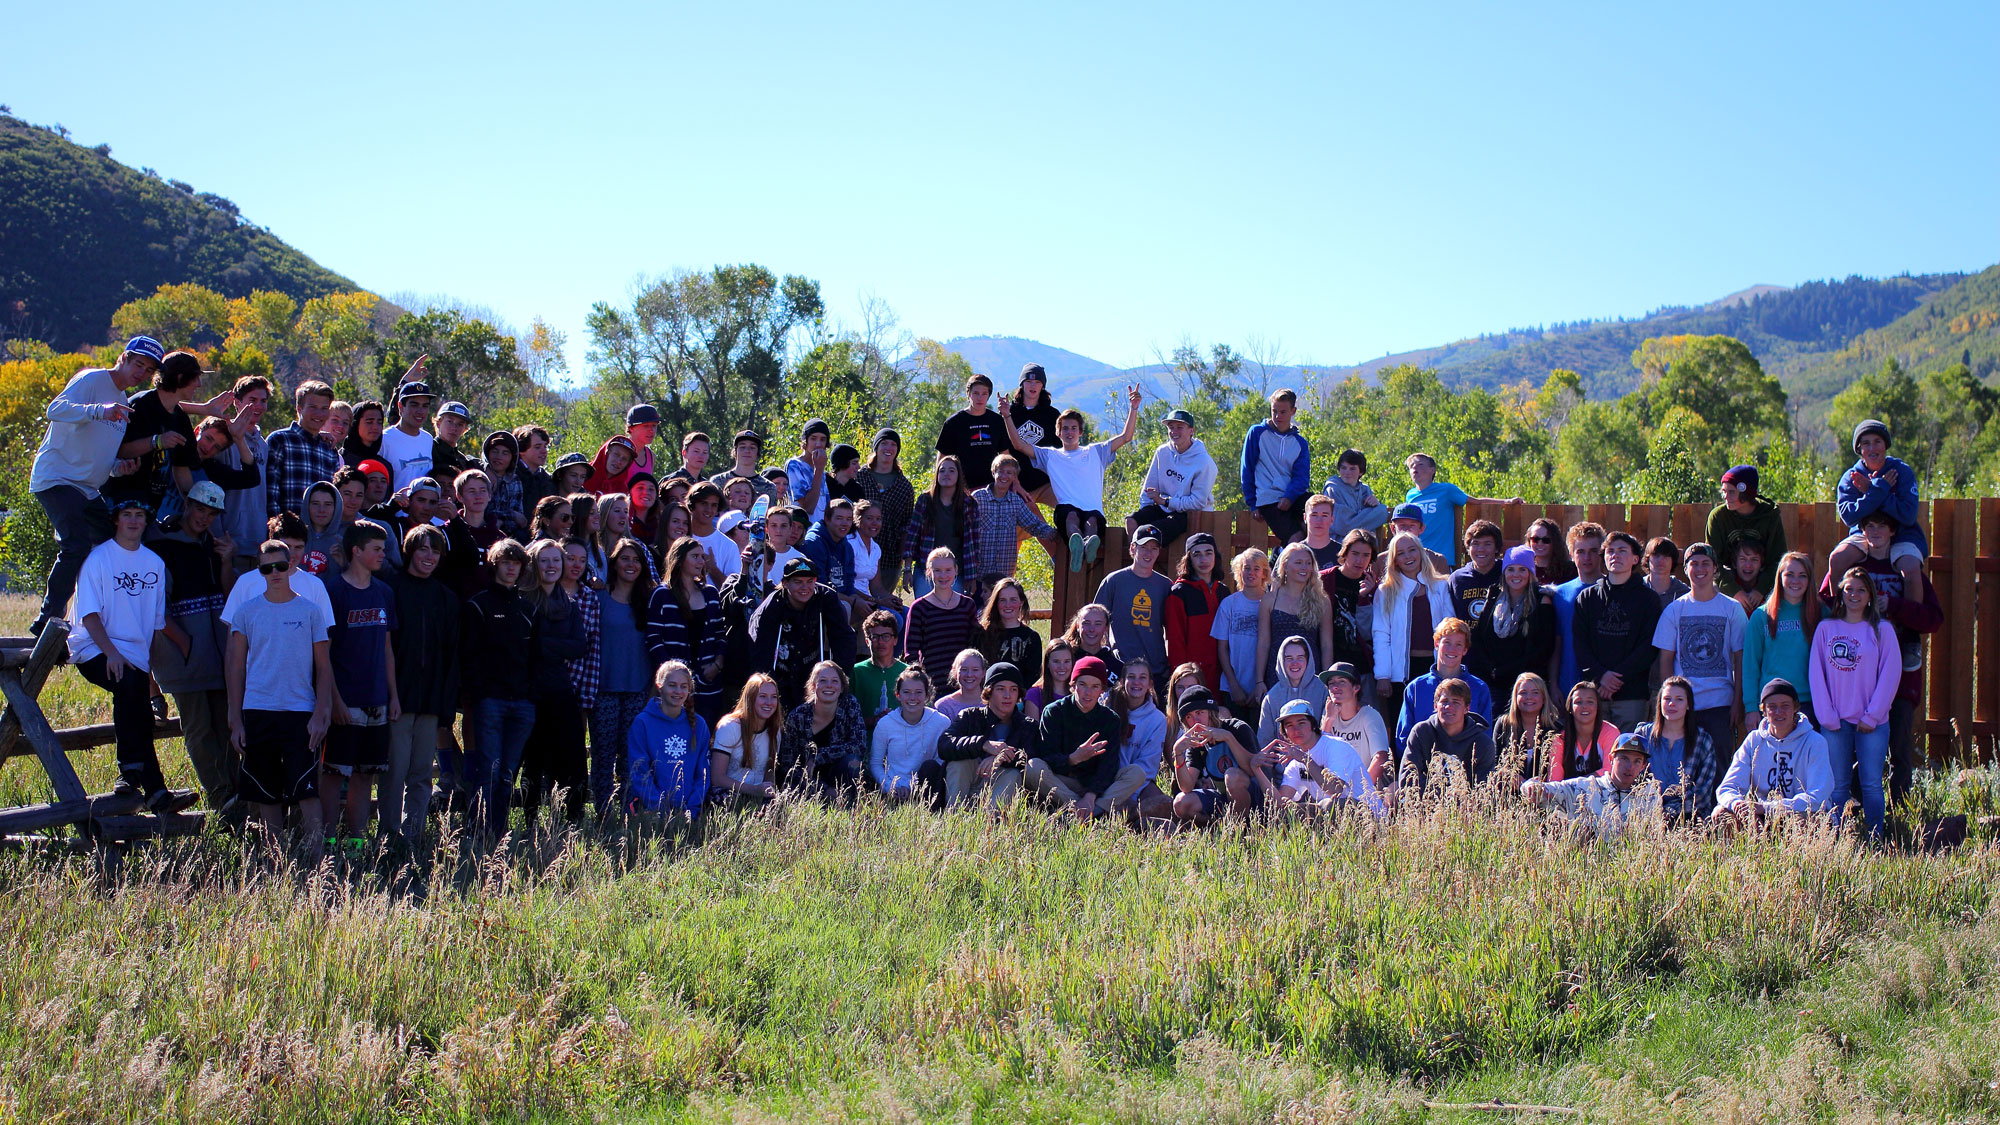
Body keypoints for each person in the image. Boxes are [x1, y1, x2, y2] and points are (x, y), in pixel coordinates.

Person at [29, 336, 161, 634]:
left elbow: (99, 455)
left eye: (147, 370)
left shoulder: (124, 403)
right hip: (57, 478)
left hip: (87, 490)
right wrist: (99, 410)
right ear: (123, 358)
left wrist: (119, 468)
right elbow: (55, 409)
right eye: (138, 364)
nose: (140, 373)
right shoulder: (92, 380)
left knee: (111, 547)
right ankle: (47, 623)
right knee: (75, 544)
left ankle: (90, 620)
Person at [226, 539, 334, 849]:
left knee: (307, 790)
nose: (274, 572)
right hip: (258, 710)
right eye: (266, 567)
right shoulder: (247, 612)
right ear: (259, 570)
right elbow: (236, 668)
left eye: (280, 566)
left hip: (301, 711)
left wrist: (320, 714)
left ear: (292, 566)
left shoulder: (310, 611)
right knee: (265, 791)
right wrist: (236, 719)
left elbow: (324, 668)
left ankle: (319, 865)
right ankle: (275, 866)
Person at [69, 497, 173, 805]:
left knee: (137, 702)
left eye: (139, 515)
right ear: (116, 520)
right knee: (129, 686)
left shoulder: (154, 564)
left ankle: (155, 792)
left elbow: (153, 628)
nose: (133, 520)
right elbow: (88, 615)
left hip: (134, 657)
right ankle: (128, 770)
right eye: (127, 514)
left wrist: (149, 676)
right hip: (94, 646)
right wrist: (112, 653)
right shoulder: (98, 559)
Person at [148, 481, 237, 810]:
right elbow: (157, 607)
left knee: (225, 727)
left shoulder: (213, 546)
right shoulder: (162, 546)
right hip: (183, 658)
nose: (205, 517)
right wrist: (184, 643)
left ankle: (235, 797)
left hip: (217, 657)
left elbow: (231, 598)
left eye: (212, 512)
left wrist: (227, 561)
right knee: (199, 730)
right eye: (200, 508)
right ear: (187, 504)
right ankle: (219, 796)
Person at [318, 522, 399, 844]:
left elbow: (388, 649)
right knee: (334, 773)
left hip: (377, 699)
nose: (383, 554)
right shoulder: (333, 592)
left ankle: (355, 842)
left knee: (366, 774)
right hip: (344, 700)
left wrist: (392, 696)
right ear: (357, 551)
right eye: (377, 549)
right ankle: (326, 841)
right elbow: (323, 654)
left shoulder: (384, 592)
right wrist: (334, 700)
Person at [1809, 567, 1902, 837]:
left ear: (1870, 595)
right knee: (1837, 786)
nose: (1854, 595)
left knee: (1871, 783)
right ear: (1841, 593)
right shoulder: (1827, 628)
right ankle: (1835, 840)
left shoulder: (1881, 630)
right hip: (1835, 722)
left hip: (1871, 723)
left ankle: (1876, 838)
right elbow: (1816, 673)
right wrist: (1827, 716)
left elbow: (1890, 674)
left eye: (1861, 590)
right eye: (1849, 589)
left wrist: (1872, 716)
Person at [1003, 389, 1140, 569]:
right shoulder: (1050, 455)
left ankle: (1088, 545)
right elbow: (1019, 445)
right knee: (1071, 517)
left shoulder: (1096, 451)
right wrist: (1006, 416)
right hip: (1066, 511)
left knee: (1091, 522)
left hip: (1093, 510)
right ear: (1058, 433)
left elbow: (1126, 437)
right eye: (1065, 428)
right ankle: (1077, 547)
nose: (1069, 432)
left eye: (1074, 428)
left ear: (1080, 432)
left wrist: (1134, 408)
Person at [382, 524, 458, 845]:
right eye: (423, 548)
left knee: (422, 774)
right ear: (409, 550)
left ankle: (413, 835)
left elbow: (452, 654)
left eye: (435, 550)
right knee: (394, 771)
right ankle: (388, 835)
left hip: (431, 700)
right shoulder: (391, 589)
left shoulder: (447, 598)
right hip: (398, 698)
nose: (429, 556)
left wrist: (446, 705)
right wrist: (389, 695)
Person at [460, 540, 537, 837]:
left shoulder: (528, 610)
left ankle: (499, 833)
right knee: (488, 771)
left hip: (523, 703)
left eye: (516, 563)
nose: (510, 568)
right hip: (489, 701)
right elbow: (469, 656)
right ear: (494, 565)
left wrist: (531, 696)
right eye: (505, 562)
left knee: (507, 775)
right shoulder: (478, 606)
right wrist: (478, 694)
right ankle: (477, 832)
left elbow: (535, 658)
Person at [1652, 542, 1746, 780]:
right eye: (1694, 564)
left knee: (1720, 766)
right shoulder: (1674, 611)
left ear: (1715, 568)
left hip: (1720, 703)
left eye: (1706, 563)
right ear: (1685, 569)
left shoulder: (1732, 609)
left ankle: (1720, 815)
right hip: (1685, 706)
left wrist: (1737, 702)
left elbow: (1740, 659)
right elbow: (1666, 660)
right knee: (1684, 769)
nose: (1700, 569)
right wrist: (1669, 702)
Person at [518, 539, 591, 827]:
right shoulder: (523, 601)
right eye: (544, 560)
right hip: (529, 692)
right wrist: (551, 647)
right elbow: (523, 647)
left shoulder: (568, 604)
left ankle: (572, 821)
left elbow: (578, 646)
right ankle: (531, 821)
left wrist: (542, 645)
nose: (551, 566)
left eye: (556, 561)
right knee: (534, 761)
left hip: (561, 690)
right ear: (534, 565)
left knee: (572, 760)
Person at [103, 348, 217, 514]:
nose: (199, 384)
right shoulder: (140, 405)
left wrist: (193, 506)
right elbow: (118, 451)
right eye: (195, 378)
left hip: (152, 506)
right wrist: (157, 441)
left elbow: (181, 467)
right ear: (180, 377)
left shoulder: (181, 418)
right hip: (121, 503)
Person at [1572, 531, 1663, 731]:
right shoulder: (1587, 598)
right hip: (1594, 693)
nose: (1615, 555)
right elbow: (1580, 644)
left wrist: (1615, 678)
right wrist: (1601, 676)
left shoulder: (1648, 600)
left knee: (1628, 751)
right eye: (1610, 551)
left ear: (1635, 559)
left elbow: (1648, 647)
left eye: (1622, 551)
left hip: (1632, 695)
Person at [592, 538, 656, 815]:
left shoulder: (651, 599)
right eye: (625, 559)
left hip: (638, 689)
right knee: (603, 755)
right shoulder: (599, 596)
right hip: (604, 689)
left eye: (636, 560)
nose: (631, 565)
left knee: (632, 757)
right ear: (614, 563)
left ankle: (630, 811)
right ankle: (603, 813)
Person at [1713, 678, 1833, 825]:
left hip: (1800, 814)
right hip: (1762, 814)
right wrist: (1737, 805)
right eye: (1772, 706)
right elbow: (1727, 788)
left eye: (1785, 706)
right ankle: (1747, 848)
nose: (1778, 712)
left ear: (1795, 708)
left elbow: (1817, 797)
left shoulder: (1815, 742)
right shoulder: (1754, 740)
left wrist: (1768, 808)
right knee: (1721, 813)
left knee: (1804, 819)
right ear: (1763, 710)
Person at [1828, 419, 1926, 594]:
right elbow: (1849, 517)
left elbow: (1908, 515)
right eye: (1866, 443)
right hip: (1864, 534)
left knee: (1911, 567)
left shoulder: (1901, 472)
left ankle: (1913, 618)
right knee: (1837, 559)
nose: (1872, 449)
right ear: (1859, 450)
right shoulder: (1851, 477)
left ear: (1885, 446)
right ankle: (1838, 612)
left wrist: (1871, 489)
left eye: (1877, 442)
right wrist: (1877, 491)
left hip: (1902, 534)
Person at [749, 557, 858, 710]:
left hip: (811, 669)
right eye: (798, 582)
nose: (804, 587)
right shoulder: (772, 607)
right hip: (781, 671)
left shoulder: (825, 597)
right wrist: (767, 686)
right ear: (785, 583)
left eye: (809, 581)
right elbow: (760, 650)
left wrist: (838, 678)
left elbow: (844, 639)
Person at [1026, 655, 1121, 820]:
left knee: (1135, 773)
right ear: (1072, 686)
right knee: (1033, 767)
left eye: (1095, 686)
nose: (1088, 692)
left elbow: (1109, 766)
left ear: (1102, 690)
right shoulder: (1054, 712)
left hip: (1094, 786)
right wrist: (1073, 758)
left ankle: (1084, 811)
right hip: (1061, 781)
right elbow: (1046, 756)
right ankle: (1085, 811)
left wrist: (1091, 795)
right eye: (1082, 685)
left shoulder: (1110, 719)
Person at [1372, 532, 1455, 721]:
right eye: (1401, 553)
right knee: (1403, 724)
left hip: (1436, 667)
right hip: (1401, 671)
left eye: (1412, 550)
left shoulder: (1441, 586)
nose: (1408, 556)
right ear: (1395, 560)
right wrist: (1383, 675)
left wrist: (1450, 666)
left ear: (1421, 552)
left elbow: (1451, 628)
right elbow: (1381, 634)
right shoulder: (1386, 591)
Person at [647, 537, 728, 728]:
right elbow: (653, 638)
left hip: (708, 685)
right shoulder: (662, 594)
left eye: (702, 557)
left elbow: (721, 635)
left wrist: (717, 664)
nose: (701, 561)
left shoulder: (711, 594)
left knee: (703, 740)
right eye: (695, 556)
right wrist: (671, 673)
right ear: (680, 559)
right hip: (673, 689)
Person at [1519, 733, 1660, 839]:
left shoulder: (1649, 797)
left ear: (1643, 766)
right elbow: (1545, 790)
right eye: (1623, 758)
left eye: (1636, 761)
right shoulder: (1586, 788)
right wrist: (1531, 787)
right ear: (1611, 759)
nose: (1629, 767)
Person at [939, 661, 1038, 808]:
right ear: (989, 692)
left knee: (1013, 774)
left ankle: (990, 821)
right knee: (959, 763)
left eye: (1013, 690)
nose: (1007, 695)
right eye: (1001, 689)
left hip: (1001, 784)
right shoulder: (970, 716)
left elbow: (1033, 759)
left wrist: (1001, 757)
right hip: (971, 778)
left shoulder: (1028, 725)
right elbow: (944, 744)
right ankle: (954, 815)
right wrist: (983, 744)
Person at [1469, 545, 1556, 710]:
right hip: (1493, 682)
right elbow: (1479, 637)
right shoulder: (1494, 596)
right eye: (1511, 569)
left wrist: (1509, 671)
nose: (1516, 574)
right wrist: (1490, 669)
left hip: (1526, 684)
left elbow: (1544, 648)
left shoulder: (1541, 601)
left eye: (1522, 569)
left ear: (1530, 573)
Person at [624, 660, 711, 822]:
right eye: (672, 685)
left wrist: (690, 810)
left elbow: (703, 774)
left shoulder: (699, 725)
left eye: (684, 686)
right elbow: (639, 772)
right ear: (659, 686)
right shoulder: (642, 723)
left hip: (690, 814)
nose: (678, 691)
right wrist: (662, 809)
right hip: (651, 813)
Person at [1401, 453, 1521, 566]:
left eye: (1420, 464)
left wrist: (1507, 502)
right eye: (1411, 466)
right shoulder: (1410, 495)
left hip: (1442, 558)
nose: (1414, 468)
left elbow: (1476, 501)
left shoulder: (1446, 490)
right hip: (1417, 558)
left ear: (1432, 470)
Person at [1277, 694, 1386, 818]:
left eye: (1301, 723)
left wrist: (1304, 759)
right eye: (1289, 725)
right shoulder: (1295, 763)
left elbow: (1334, 789)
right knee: (1288, 811)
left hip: (1368, 816)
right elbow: (1279, 803)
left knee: (1329, 805)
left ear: (1313, 724)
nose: (1296, 730)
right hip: (1333, 818)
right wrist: (1257, 769)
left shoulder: (1336, 746)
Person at [1393, 617, 1492, 753]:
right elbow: (1403, 738)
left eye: (1458, 644)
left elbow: (1485, 736)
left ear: (1465, 650)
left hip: (1464, 768)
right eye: (1447, 642)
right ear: (1436, 644)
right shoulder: (1416, 688)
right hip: (1424, 766)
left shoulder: (1479, 688)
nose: (1452, 650)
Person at [777, 660, 868, 803]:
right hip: (806, 780)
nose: (829, 686)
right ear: (813, 686)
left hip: (838, 773)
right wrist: (823, 789)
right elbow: (787, 766)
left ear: (842, 687)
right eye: (823, 681)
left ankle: (848, 803)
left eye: (834, 681)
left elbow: (859, 746)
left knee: (853, 761)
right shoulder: (797, 717)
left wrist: (817, 757)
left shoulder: (850, 705)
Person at [1743, 552, 1818, 725]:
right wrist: (1751, 708)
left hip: (1809, 703)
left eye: (1802, 576)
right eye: (1789, 575)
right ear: (1779, 578)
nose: (1795, 581)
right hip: (1772, 703)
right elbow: (1750, 666)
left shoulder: (1820, 614)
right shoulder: (1761, 616)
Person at [967, 454, 1055, 600]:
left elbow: (1034, 525)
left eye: (1009, 473)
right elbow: (965, 529)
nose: (1004, 476)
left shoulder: (1016, 502)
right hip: (978, 576)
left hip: (1003, 577)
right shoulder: (978, 498)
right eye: (1001, 471)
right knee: (975, 616)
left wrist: (1055, 534)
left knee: (1000, 618)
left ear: (1015, 477)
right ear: (993, 472)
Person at [1126, 408, 1216, 548]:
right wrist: (1146, 511)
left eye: (1180, 427)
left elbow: (1198, 502)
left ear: (1191, 431)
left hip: (1189, 515)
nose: (1174, 431)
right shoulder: (1162, 452)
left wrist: (1165, 501)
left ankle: (1147, 561)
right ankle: (1135, 561)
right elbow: (1149, 490)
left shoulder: (1204, 462)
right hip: (1164, 507)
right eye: (1171, 427)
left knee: (1151, 531)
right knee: (1132, 521)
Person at [1631, 676, 1717, 820]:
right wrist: (1654, 810)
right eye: (1667, 698)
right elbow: (1633, 780)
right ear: (1659, 702)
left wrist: (1670, 813)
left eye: (1679, 699)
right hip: (1646, 814)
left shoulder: (1702, 740)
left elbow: (1702, 792)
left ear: (1688, 705)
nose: (1672, 704)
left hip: (1689, 817)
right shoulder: (1642, 735)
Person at [1095, 523, 1173, 682]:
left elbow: (1172, 629)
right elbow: (1096, 621)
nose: (1148, 553)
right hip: (1121, 667)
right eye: (1144, 547)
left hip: (1155, 669)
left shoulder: (1166, 586)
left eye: (1154, 548)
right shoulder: (1113, 581)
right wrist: (1104, 655)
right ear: (1132, 548)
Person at [1168, 686, 1258, 823]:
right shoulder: (1197, 743)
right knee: (1181, 803)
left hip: (1256, 799)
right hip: (1223, 799)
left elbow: (1253, 770)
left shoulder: (1237, 728)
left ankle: (1239, 828)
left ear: (1210, 712)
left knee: (1232, 775)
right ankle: (1218, 828)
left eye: (1199, 712)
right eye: (1189, 716)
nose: (1195, 721)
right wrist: (1178, 753)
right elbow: (1187, 787)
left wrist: (1228, 738)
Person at [1396, 678, 1498, 795]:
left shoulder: (1482, 743)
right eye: (1444, 701)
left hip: (1467, 810)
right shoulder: (1421, 733)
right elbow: (1409, 778)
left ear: (1467, 708)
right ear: (1435, 706)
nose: (1449, 707)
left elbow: (1483, 790)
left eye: (1456, 702)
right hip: (1424, 807)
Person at [214, 375, 273, 577]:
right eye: (252, 400)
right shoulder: (224, 440)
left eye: (263, 401)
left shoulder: (263, 445)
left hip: (258, 541)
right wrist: (220, 535)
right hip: (231, 540)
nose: (258, 406)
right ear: (237, 403)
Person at [1101, 661, 1173, 821]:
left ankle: (1131, 815)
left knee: (1164, 803)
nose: (1136, 682)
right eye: (1131, 677)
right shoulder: (1107, 705)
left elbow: (1148, 766)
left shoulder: (1157, 720)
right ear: (1122, 681)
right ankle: (1115, 812)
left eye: (1142, 677)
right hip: (1106, 778)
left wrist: (1129, 795)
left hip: (1138, 783)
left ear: (1150, 684)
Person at [1312, 662, 1392, 806]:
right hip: (1335, 791)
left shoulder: (1369, 715)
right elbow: (1318, 755)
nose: (1335, 687)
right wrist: (1329, 720)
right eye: (1331, 683)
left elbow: (1380, 759)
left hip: (1367, 792)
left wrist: (1360, 792)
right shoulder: (1328, 716)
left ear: (1356, 688)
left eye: (1342, 682)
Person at [1256, 542, 1333, 692]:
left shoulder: (1322, 601)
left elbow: (1326, 644)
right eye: (1298, 562)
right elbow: (1263, 643)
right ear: (1285, 565)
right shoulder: (1270, 599)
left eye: (1308, 563)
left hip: (1311, 675)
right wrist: (1259, 681)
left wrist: (1327, 680)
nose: (1304, 567)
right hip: (1276, 673)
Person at [903, 549, 979, 700]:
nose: (943, 576)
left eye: (948, 570)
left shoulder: (967, 605)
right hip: (933, 687)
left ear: (956, 570)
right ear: (929, 572)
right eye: (937, 570)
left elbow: (975, 645)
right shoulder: (919, 608)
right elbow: (911, 653)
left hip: (965, 685)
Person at [870, 667, 950, 806]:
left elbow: (940, 760)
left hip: (926, 787)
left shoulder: (941, 722)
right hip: (893, 789)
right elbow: (875, 763)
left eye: (918, 692)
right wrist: (890, 787)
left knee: (931, 766)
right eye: (906, 692)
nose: (912, 698)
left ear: (927, 695)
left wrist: (913, 787)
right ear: (898, 695)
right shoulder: (885, 724)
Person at [1239, 388, 1310, 543]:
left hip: (1293, 497)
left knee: (1317, 517)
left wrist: (1289, 497)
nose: (1278, 416)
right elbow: (1247, 469)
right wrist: (1252, 503)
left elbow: (1302, 477)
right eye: (1274, 411)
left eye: (1283, 412)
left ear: (1293, 411)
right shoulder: (1257, 433)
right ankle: (1280, 558)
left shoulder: (1300, 443)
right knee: (1296, 539)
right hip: (1268, 499)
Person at [1705, 464, 1786, 598]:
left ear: (1746, 494)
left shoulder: (1770, 516)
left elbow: (1778, 559)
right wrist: (1733, 590)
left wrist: (1761, 590)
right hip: (1727, 582)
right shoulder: (1718, 517)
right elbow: (1713, 560)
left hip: (1764, 583)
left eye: (1731, 492)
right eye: (1724, 491)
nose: (1726, 496)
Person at [901, 455, 977, 597]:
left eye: (951, 470)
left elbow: (974, 543)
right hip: (926, 569)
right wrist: (906, 570)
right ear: (936, 475)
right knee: (925, 612)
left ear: (959, 475)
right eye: (942, 470)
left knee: (952, 613)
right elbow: (912, 538)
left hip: (956, 572)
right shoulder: (925, 500)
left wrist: (972, 576)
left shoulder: (969, 503)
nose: (946, 474)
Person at [267, 380, 342, 522]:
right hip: (287, 532)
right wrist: (277, 529)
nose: (319, 414)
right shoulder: (280, 440)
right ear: (299, 408)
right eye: (313, 407)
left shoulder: (329, 449)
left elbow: (333, 496)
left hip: (319, 535)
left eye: (324, 408)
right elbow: (271, 493)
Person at [1550, 521, 1608, 698]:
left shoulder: (1613, 590)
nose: (1587, 558)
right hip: (1568, 684)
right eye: (1581, 552)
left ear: (1602, 553)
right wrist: (1553, 685)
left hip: (1605, 686)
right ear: (1571, 555)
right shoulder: (1560, 594)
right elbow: (1556, 646)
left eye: (1593, 551)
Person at [1210, 548, 1269, 714]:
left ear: (1264, 573)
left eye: (1257, 569)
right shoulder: (1229, 604)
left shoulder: (1271, 602)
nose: (1251, 573)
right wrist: (1233, 685)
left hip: (1263, 687)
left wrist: (1260, 684)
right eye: (1246, 568)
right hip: (1232, 687)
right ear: (1239, 571)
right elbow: (1222, 648)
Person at [1165, 532, 1226, 689]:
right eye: (1197, 554)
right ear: (1189, 559)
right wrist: (1183, 678)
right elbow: (1175, 641)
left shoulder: (1224, 592)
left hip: (1223, 675)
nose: (1203, 559)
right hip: (1192, 678)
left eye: (1208, 553)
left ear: (1215, 556)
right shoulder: (1179, 592)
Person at [710, 674, 781, 809]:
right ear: (750, 698)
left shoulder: (775, 730)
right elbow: (717, 778)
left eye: (774, 697)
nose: (769, 702)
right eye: (762, 696)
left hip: (757, 793)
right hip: (729, 792)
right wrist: (753, 790)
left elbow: (769, 773)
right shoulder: (730, 726)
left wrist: (768, 792)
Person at [855, 430, 914, 588]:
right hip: (857, 554)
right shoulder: (859, 477)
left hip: (889, 558)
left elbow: (906, 526)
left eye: (893, 444)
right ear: (876, 447)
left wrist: (904, 562)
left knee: (883, 605)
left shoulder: (904, 486)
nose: (889, 448)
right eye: (884, 443)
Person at [934, 373, 1008, 494]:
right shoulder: (953, 422)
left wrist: (1012, 481)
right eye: (976, 393)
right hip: (961, 489)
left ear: (989, 395)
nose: (980, 398)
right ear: (968, 394)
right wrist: (938, 486)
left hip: (992, 488)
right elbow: (942, 459)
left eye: (984, 394)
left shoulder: (997, 421)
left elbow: (1005, 456)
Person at [1257, 635, 1330, 744]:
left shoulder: (1324, 690)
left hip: (1318, 757)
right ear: (1282, 661)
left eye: (1300, 657)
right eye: (1289, 658)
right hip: (1284, 759)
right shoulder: (1271, 697)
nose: (1294, 663)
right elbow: (1264, 742)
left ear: (1308, 660)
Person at [1007, 363, 1063, 497]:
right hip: (1014, 483)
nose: (1033, 386)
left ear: (1042, 385)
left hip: (1045, 483)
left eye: (1037, 382)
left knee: (1071, 508)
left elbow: (1060, 450)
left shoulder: (1053, 415)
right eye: (1029, 381)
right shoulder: (1008, 413)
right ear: (1022, 384)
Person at [1492, 672, 1561, 781]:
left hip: (1544, 793)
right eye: (1523, 692)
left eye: (1535, 692)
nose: (1529, 697)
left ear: (1543, 698)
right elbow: (1495, 765)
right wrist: (1511, 776)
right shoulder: (1504, 724)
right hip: (1510, 793)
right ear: (1515, 697)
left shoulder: (1555, 728)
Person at [851, 609, 909, 730]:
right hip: (866, 743)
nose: (880, 642)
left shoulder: (908, 673)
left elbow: (922, 711)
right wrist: (872, 721)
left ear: (895, 640)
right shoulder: (856, 672)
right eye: (875, 637)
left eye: (886, 636)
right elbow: (846, 717)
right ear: (867, 641)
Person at [1549, 680, 1618, 781]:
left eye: (1590, 702)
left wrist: (1578, 784)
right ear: (1570, 708)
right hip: (1568, 795)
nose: (1584, 706)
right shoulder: (1560, 739)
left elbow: (1610, 770)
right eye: (1578, 702)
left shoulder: (1610, 732)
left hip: (1603, 794)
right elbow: (1554, 780)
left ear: (1598, 706)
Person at [377, 381, 439, 489]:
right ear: (401, 407)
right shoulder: (384, 439)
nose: (420, 411)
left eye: (425, 406)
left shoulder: (428, 439)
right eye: (414, 405)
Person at [976, 577, 1041, 675]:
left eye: (1013, 600)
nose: (1008, 605)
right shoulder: (982, 634)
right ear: (996, 603)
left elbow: (1032, 676)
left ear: (1021, 602)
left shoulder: (1031, 637)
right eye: (1002, 600)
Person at [1448, 519, 1506, 622]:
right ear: (1468, 548)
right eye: (1475, 543)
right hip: (1467, 637)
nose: (1481, 549)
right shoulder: (1457, 579)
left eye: (1487, 544)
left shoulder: (1506, 574)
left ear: (1496, 548)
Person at [1324, 449, 1386, 542]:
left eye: (1352, 469)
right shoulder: (1333, 489)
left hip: (1366, 545)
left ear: (1360, 472)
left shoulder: (1365, 490)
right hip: (1340, 544)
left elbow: (1376, 518)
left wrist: (1377, 506)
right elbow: (1344, 526)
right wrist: (1379, 511)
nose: (1347, 472)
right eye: (1343, 468)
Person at [785, 418, 832, 526]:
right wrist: (819, 470)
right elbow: (808, 507)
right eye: (813, 439)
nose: (818, 444)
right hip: (803, 531)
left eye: (823, 439)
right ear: (805, 441)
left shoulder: (820, 466)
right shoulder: (794, 465)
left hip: (821, 531)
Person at [708, 430, 775, 502]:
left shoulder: (768, 487)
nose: (747, 451)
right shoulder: (718, 482)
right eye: (742, 447)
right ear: (735, 451)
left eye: (752, 447)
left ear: (757, 453)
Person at [934, 649, 987, 722]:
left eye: (975, 670)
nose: (969, 675)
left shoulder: (992, 703)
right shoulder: (944, 706)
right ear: (955, 672)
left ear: (983, 673)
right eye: (964, 669)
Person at [1027, 641, 1074, 715]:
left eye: (1067, 661)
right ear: (1047, 663)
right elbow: (1032, 726)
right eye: (1056, 661)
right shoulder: (1035, 694)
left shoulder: (1079, 693)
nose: (1062, 667)